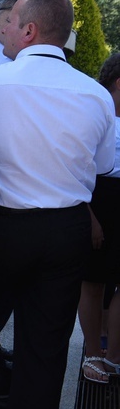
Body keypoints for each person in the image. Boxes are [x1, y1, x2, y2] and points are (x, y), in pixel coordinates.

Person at [0, 0, 115, 409]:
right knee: (45, 354)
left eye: (12, 24)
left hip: (3, 225)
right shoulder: (95, 93)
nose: (6, 31)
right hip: (66, 229)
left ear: (28, 30)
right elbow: (103, 166)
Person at [77, 53, 120, 383]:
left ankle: (114, 357)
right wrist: (90, 218)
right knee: (93, 283)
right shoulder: (95, 111)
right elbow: (77, 169)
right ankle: (93, 354)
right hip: (99, 200)